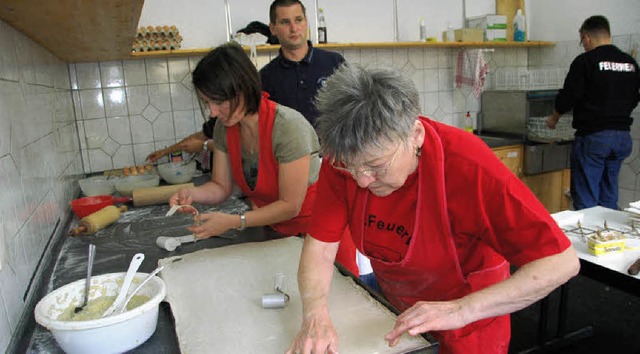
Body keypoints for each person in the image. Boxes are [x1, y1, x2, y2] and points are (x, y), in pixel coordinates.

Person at [285, 65, 580, 354]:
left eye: (376, 167)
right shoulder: (344, 160)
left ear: (415, 135)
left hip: (470, 327)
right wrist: (314, 315)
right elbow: (321, 249)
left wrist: (463, 309)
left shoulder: (469, 167)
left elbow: (561, 262)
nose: (361, 180)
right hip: (398, 317)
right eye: (351, 168)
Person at [168, 43, 358, 274]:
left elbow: (290, 206)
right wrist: (192, 194)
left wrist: (233, 221)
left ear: (241, 89)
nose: (212, 112)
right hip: (275, 232)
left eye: (218, 102)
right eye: (207, 102)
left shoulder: (288, 127)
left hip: (320, 236)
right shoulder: (224, 128)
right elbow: (221, 186)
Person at [547, 15, 639, 210]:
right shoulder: (629, 62)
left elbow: (568, 96)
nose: (583, 45)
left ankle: (588, 239)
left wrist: (553, 118)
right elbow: (634, 96)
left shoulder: (585, 61)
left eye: (582, 41)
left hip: (594, 138)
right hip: (622, 138)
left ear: (586, 37)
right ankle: (608, 239)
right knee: (608, 197)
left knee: (586, 199)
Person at [260, 0, 345, 127]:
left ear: (306, 22)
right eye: (285, 22)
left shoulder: (335, 63)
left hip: (333, 145)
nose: (293, 28)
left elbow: (354, 110)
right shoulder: (265, 77)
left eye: (298, 20)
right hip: (288, 146)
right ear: (273, 28)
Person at [146, 117, 216, 171]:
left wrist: (203, 145)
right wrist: (164, 152)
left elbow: (224, 145)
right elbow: (198, 136)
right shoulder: (216, 119)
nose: (211, 114)